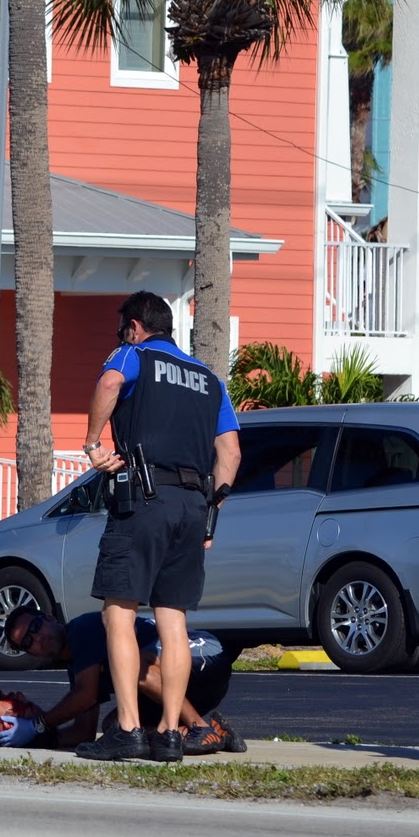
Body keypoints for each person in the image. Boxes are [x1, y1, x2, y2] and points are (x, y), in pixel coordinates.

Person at [78, 290, 241, 762]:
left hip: (144, 498)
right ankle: (170, 733)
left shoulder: (133, 354)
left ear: (134, 325)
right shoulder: (209, 378)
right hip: (193, 505)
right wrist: (211, 513)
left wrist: (92, 444)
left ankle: (128, 727)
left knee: (119, 613)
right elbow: (230, 452)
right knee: (174, 621)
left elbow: (109, 384)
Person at [0, 606, 246, 755]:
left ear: (49, 618)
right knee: (117, 725)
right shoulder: (78, 668)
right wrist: (38, 740)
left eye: (36, 627)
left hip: (205, 654)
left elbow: (86, 695)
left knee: (133, 664)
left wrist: (39, 724)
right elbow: (84, 732)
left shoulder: (82, 629)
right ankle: (214, 729)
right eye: (28, 642)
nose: (38, 638)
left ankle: (198, 727)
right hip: (193, 689)